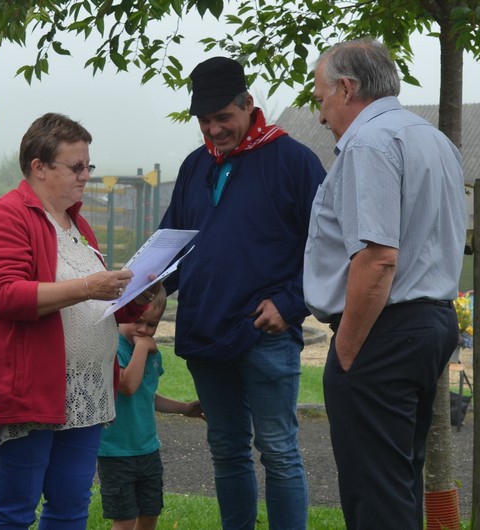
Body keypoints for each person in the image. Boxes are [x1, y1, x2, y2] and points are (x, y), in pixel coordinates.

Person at [303, 38, 467, 529]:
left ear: (346, 88)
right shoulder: (434, 139)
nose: (320, 115)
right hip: (429, 323)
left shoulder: (369, 143)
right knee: (397, 482)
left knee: (375, 494)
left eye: (321, 99)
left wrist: (347, 350)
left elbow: (377, 259)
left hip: (383, 329)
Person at [0, 112, 159, 529]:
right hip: (31, 390)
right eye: (76, 166)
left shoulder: (77, 223)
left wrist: (135, 296)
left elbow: (92, 304)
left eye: (88, 165)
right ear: (39, 167)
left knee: (71, 508)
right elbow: (0, 294)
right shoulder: (7, 215)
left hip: (85, 393)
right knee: (13, 510)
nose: (85, 175)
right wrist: (89, 286)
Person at [158, 57, 327, 530]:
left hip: (265, 334)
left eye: (223, 118)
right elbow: (173, 241)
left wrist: (290, 304)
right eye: (204, 121)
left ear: (248, 104)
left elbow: (326, 249)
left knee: (278, 450)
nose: (214, 130)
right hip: (204, 331)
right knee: (227, 449)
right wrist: (153, 289)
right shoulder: (195, 166)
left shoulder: (294, 161)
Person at [97, 288, 205, 530]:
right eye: (137, 321)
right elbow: (127, 386)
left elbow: (146, 395)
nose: (143, 330)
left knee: (149, 514)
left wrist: (184, 408)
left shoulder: (150, 354)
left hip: (147, 449)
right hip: (116, 452)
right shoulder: (114, 347)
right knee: (124, 520)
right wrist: (142, 348)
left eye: (152, 325)